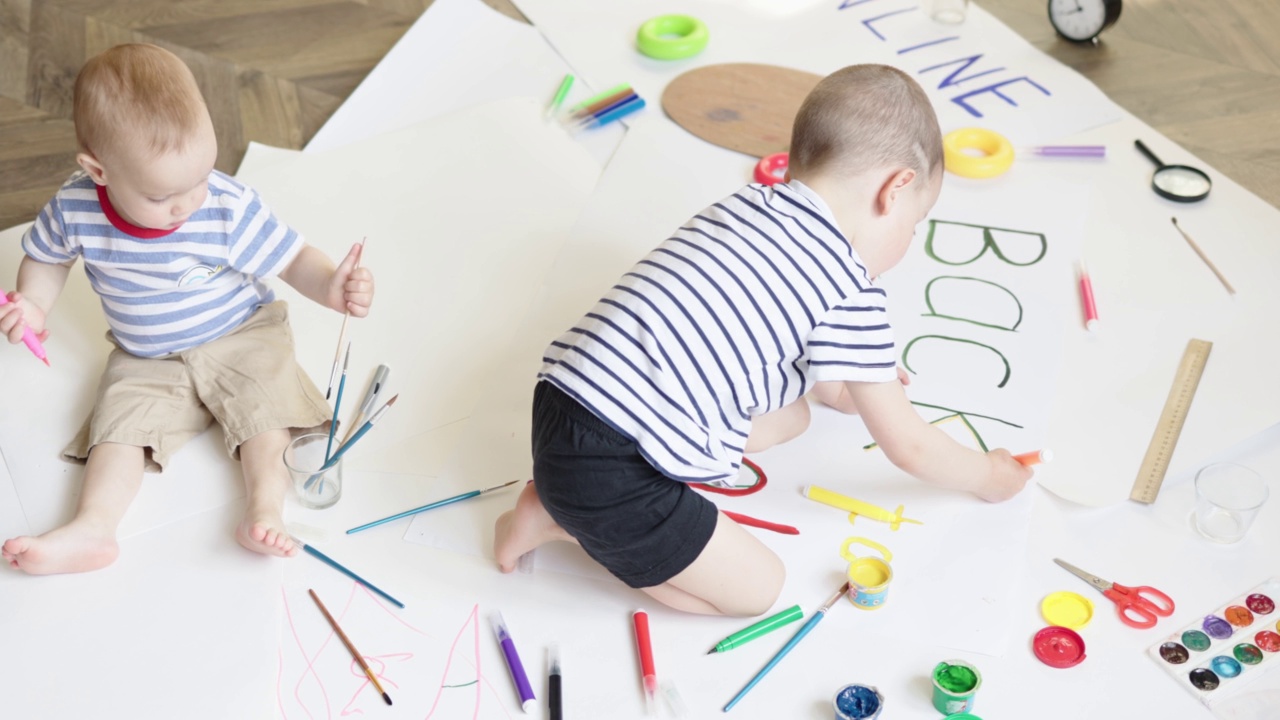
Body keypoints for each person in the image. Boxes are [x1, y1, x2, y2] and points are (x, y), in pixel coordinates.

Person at [493, 64, 1031, 617]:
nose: (908, 241)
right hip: (611, 468)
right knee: (757, 590)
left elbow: (754, 329)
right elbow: (911, 446)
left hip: (562, 397)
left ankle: (569, 504)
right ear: (895, 191)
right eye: (916, 224)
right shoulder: (850, 287)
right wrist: (989, 474)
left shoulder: (746, 205)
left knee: (792, 416)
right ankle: (561, 522)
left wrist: (854, 384)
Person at [0, 43, 374, 575]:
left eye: (201, 176)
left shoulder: (224, 206)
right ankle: (93, 528)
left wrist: (332, 286)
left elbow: (292, 259)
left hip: (241, 331)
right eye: (163, 195)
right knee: (118, 428)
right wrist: (34, 303)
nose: (188, 201)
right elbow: (45, 257)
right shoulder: (75, 207)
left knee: (266, 412)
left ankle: (264, 507)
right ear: (98, 170)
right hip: (145, 355)